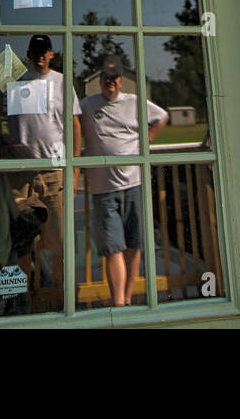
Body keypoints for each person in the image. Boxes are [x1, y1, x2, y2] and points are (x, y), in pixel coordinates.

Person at [0, 34, 80, 313]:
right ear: (29, 54)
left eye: (45, 51)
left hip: (54, 174)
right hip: (21, 177)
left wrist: (75, 169)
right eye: (35, 51)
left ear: (52, 54)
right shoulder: (13, 81)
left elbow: (74, 125)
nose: (40, 56)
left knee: (59, 244)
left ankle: (61, 300)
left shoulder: (62, 81)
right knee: (20, 244)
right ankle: (19, 304)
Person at [76, 57, 167, 307]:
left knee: (133, 244)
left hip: (135, 183)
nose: (110, 82)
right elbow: (71, 125)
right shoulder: (86, 104)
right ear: (100, 80)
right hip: (103, 189)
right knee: (112, 248)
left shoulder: (135, 102)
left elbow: (162, 116)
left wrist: (148, 137)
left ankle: (126, 299)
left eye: (114, 78)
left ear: (120, 81)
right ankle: (118, 304)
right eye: (105, 78)